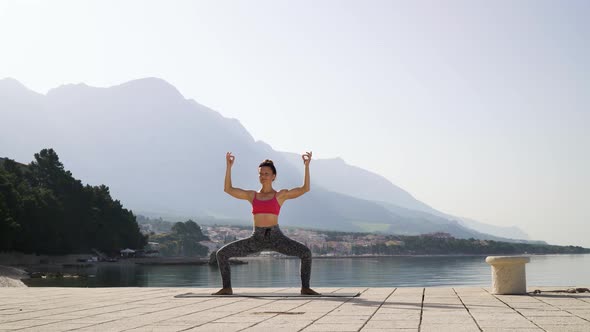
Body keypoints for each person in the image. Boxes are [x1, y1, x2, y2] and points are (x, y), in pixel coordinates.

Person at [212, 151, 320, 295]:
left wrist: (306, 166)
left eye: (266, 174)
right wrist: (229, 166)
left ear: (273, 176)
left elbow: (304, 189)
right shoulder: (252, 195)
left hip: (276, 238)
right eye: (261, 174)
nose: (263, 176)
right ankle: (227, 288)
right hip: (256, 238)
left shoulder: (280, 195)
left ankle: (305, 287)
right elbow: (228, 189)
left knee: (305, 253)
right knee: (221, 254)